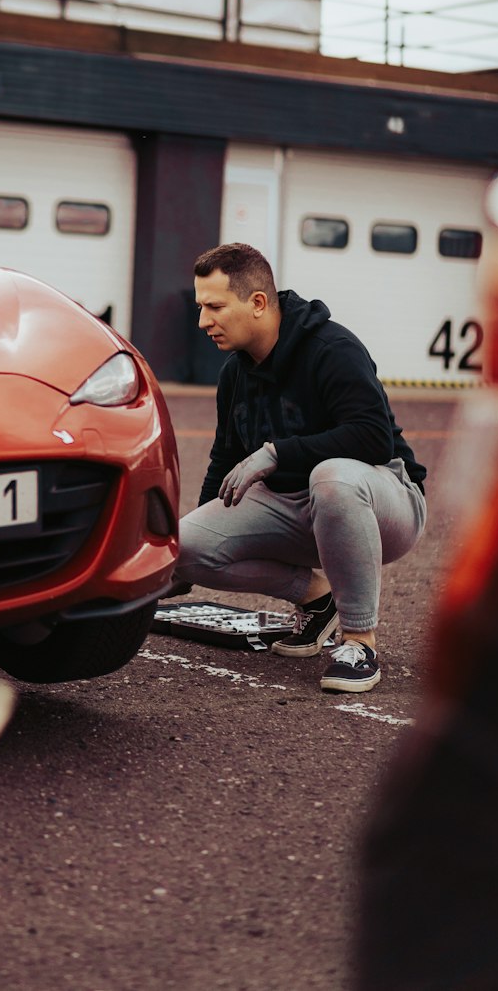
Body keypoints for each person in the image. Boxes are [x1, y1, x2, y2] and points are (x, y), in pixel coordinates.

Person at [172, 242, 427, 693]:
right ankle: (315, 597)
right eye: (200, 307)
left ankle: (358, 639)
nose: (202, 321)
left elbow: (373, 438)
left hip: (383, 501)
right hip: (292, 510)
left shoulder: (332, 347)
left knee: (331, 477)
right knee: (179, 548)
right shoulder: (235, 372)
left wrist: (276, 452)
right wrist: (191, 555)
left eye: (214, 306)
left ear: (257, 303)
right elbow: (224, 458)